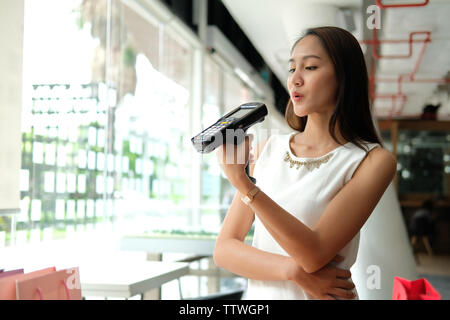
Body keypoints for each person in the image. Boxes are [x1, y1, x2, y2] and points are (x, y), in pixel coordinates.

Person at [213, 26, 396, 300]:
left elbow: (314, 253)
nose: (294, 80)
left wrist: (243, 183)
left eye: (310, 67)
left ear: (344, 77)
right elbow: (224, 250)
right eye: (291, 69)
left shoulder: (373, 161)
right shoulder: (268, 150)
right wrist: (291, 271)